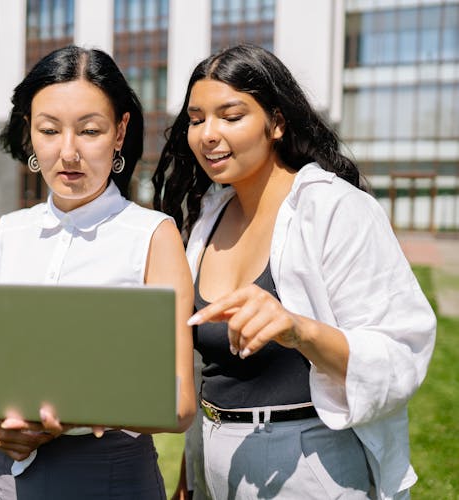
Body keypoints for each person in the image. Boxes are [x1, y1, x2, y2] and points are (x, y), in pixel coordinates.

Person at [152, 44, 436, 500]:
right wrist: (191, 473)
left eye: (231, 115)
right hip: (214, 456)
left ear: (277, 122)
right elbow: (209, 369)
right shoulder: (207, 217)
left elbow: (402, 350)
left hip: (308, 465)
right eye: (197, 118)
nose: (208, 133)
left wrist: (299, 329)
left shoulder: (334, 208)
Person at [0, 45, 196, 500]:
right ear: (30, 132)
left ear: (120, 131)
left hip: (109, 474)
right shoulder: (6, 233)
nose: (67, 152)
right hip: (13, 474)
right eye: (49, 130)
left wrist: (81, 410)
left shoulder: (152, 235)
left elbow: (181, 404)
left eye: (89, 130)